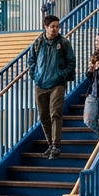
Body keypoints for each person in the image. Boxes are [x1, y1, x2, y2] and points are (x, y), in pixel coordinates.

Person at [30, 15, 75, 159]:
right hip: (40, 84)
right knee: (43, 116)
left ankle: (56, 145)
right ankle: (50, 144)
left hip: (57, 84)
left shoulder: (64, 43)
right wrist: (35, 75)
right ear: (46, 27)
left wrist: (62, 75)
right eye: (52, 26)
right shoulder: (37, 43)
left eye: (57, 26)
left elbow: (71, 62)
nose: (55, 29)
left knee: (55, 113)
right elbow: (31, 61)